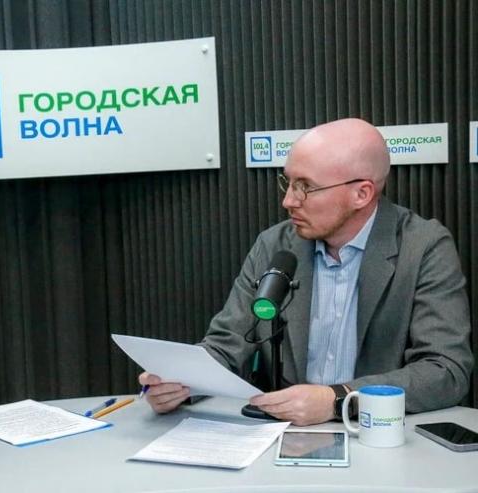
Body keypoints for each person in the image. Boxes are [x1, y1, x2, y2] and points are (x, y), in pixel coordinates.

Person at [140, 118, 473, 426]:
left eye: (305, 187)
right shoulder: (274, 244)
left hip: (376, 433)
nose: (288, 200)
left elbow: (445, 370)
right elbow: (228, 344)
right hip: (280, 432)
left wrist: (338, 399)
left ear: (361, 193)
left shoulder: (423, 247)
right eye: (288, 182)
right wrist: (180, 381)